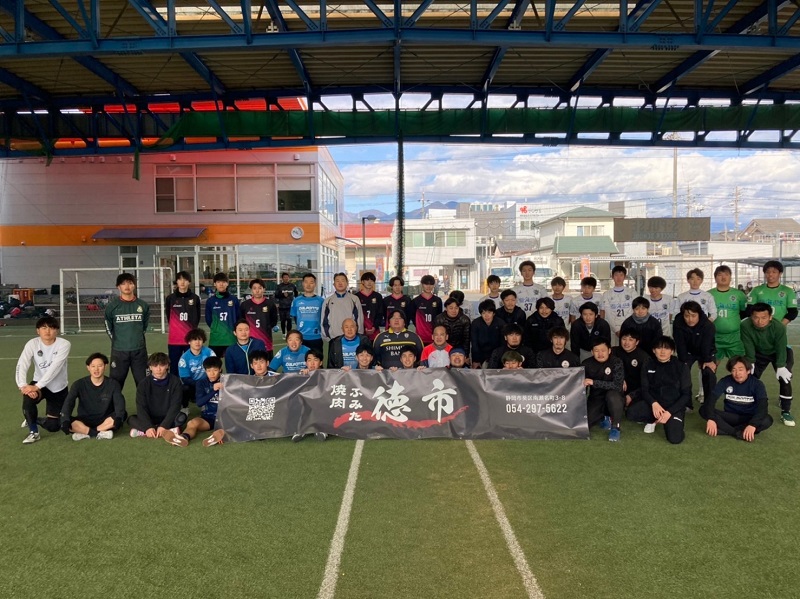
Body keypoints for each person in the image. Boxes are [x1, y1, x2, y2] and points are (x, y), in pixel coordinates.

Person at [16, 315, 72, 444]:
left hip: (58, 388)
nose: (47, 331)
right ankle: (34, 432)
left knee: (54, 427)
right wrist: (23, 386)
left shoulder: (64, 344)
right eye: (43, 328)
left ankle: (33, 419)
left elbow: (55, 368)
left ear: (56, 330)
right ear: (38, 330)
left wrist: (37, 386)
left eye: (51, 328)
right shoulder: (32, 343)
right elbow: (22, 364)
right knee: (28, 399)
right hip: (38, 383)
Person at [626, 336, 691, 443]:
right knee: (631, 413)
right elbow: (645, 390)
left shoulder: (682, 367)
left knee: (675, 439)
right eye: (659, 348)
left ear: (672, 351)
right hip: (654, 404)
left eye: (666, 348)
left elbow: (686, 395)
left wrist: (669, 412)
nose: (662, 351)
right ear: (653, 350)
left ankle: (670, 421)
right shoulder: (648, 364)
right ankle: (654, 420)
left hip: (673, 406)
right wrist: (654, 403)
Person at [741, 302, 794, 426]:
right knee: (751, 377)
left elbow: (781, 347)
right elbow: (748, 343)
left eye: (763, 318)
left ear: (770, 317)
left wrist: (781, 365)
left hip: (779, 352)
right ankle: (749, 406)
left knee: (785, 378)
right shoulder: (745, 325)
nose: (759, 321)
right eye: (756, 317)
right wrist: (751, 360)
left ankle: (786, 411)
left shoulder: (779, 327)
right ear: (751, 317)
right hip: (759, 352)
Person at [701, 356, 773, 441]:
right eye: (734, 370)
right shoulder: (725, 381)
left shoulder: (757, 384)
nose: (737, 373)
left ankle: (726, 430)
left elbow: (763, 407)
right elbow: (711, 400)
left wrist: (752, 425)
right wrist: (711, 418)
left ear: (748, 371)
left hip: (749, 417)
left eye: (740, 369)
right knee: (703, 409)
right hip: (730, 416)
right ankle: (737, 432)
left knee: (767, 420)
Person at [60, 352, 125, 441]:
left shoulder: (113, 384)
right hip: (84, 421)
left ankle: (86, 433)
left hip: (105, 420)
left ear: (105, 367)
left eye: (100, 366)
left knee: (121, 415)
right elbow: (69, 403)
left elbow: (119, 402)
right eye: (93, 366)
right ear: (88, 368)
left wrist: (119, 417)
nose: (96, 369)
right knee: (65, 420)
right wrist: (65, 419)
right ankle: (100, 433)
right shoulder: (78, 384)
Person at [164, 356, 226, 448]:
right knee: (192, 423)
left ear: (220, 370)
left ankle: (217, 436)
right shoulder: (201, 383)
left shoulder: (227, 381)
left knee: (230, 425)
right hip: (208, 417)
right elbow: (199, 403)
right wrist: (213, 390)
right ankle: (183, 438)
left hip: (224, 417)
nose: (212, 374)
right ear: (205, 371)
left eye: (215, 370)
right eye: (209, 371)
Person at [105, 272, 149, 389]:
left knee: (144, 384)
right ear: (118, 287)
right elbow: (108, 327)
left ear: (134, 285)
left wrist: (137, 339)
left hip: (139, 351)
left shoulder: (143, 305)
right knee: (115, 385)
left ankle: (144, 403)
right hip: (119, 352)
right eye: (123, 283)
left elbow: (144, 326)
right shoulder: (112, 307)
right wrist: (118, 341)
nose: (127, 286)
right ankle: (115, 403)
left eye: (130, 283)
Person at [128, 352, 185, 439]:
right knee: (131, 419)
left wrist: (164, 425)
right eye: (155, 366)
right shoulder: (143, 384)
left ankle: (143, 432)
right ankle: (161, 430)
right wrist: (148, 426)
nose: (158, 369)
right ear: (150, 367)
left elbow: (175, 406)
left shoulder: (175, 382)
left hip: (167, 416)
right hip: (150, 417)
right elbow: (141, 407)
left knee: (182, 417)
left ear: (167, 366)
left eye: (162, 365)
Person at [673, 300, 717, 409]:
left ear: (699, 314)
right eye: (687, 316)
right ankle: (686, 404)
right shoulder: (678, 323)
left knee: (709, 373)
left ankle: (709, 405)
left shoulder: (708, 325)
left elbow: (707, 345)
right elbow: (680, 344)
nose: (690, 319)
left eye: (693, 316)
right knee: (682, 372)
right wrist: (684, 362)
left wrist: (707, 360)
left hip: (706, 352)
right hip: (688, 352)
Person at [582, 338, 625, 442]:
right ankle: (605, 417)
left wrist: (594, 382)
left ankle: (615, 427)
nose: (600, 354)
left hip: (614, 396)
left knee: (613, 396)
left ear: (609, 350)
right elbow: (583, 386)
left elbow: (617, 386)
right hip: (596, 397)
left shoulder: (617, 362)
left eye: (603, 350)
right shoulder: (586, 363)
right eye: (596, 350)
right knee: (585, 423)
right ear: (592, 352)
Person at [164, 270, 201, 376]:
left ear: (189, 282)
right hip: (175, 340)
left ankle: (191, 386)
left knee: (192, 367)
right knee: (174, 368)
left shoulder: (195, 298)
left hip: (190, 340)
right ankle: (175, 386)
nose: (182, 282)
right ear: (176, 281)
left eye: (185, 279)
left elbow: (197, 317)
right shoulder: (170, 298)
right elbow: (169, 316)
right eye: (180, 279)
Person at [708, 265, 748, 361]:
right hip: (714, 337)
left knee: (739, 364)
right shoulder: (708, 295)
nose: (723, 277)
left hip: (734, 337)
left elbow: (744, 312)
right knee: (711, 365)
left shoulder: (739, 294)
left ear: (730, 277)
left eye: (726, 274)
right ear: (715, 278)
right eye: (720, 275)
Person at [746, 259, 798, 325]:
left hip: (779, 328)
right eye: (767, 272)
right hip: (759, 328)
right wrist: (759, 323)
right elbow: (749, 310)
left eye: (774, 272)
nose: (770, 274)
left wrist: (780, 325)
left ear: (780, 273)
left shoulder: (788, 291)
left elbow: (793, 312)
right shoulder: (756, 290)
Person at [239, 278, 279, 361]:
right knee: (250, 366)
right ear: (251, 290)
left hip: (266, 342)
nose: (257, 291)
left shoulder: (270, 304)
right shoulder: (245, 305)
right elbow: (241, 322)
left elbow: (274, 321)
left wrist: (265, 328)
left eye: (260, 288)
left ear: (264, 289)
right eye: (254, 288)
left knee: (267, 365)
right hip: (249, 342)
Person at [177, 328, 215, 411]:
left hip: (207, 382)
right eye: (194, 339)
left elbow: (215, 368)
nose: (197, 342)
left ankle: (207, 404)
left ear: (203, 340)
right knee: (184, 388)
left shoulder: (209, 352)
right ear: (189, 342)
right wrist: (198, 384)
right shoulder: (184, 358)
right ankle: (185, 407)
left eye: (199, 339)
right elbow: (184, 378)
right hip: (193, 385)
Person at [612, 329, 651, 410]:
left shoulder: (644, 357)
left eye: (630, 340)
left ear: (637, 342)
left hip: (636, 391)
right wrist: (619, 377)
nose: (626, 342)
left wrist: (632, 395)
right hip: (616, 388)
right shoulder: (613, 352)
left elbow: (647, 383)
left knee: (634, 410)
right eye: (624, 339)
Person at [321, 272, 364, 345]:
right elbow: (324, 321)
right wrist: (328, 338)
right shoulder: (327, 301)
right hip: (333, 339)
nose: (340, 283)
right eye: (337, 281)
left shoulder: (354, 299)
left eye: (343, 280)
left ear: (347, 283)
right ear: (334, 284)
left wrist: (358, 335)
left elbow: (359, 319)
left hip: (352, 338)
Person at [204, 272, 240, 358]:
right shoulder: (210, 301)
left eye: (223, 282)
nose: (221, 284)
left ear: (227, 284)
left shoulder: (234, 299)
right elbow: (208, 320)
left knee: (232, 364)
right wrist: (216, 328)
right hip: (216, 339)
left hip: (231, 339)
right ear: (214, 284)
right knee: (213, 364)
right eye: (218, 282)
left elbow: (238, 317)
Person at [599, 265, 634, 346]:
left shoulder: (632, 293)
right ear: (612, 277)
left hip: (629, 327)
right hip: (612, 328)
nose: (619, 278)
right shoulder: (606, 294)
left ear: (625, 277)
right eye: (616, 275)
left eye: (621, 275)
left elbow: (634, 310)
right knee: (613, 349)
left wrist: (626, 326)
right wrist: (616, 329)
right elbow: (604, 312)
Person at [290, 273, 325, 352]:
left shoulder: (321, 301)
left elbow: (324, 318)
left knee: (316, 359)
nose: (308, 285)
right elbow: (295, 317)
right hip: (301, 338)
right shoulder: (296, 301)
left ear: (315, 284)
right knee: (301, 359)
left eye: (311, 282)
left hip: (316, 337)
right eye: (306, 282)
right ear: (303, 284)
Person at [470, 299, 504, 369]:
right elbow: (474, 344)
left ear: (493, 313)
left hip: (497, 354)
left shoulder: (501, 323)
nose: (486, 315)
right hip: (480, 354)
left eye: (489, 312)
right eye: (483, 313)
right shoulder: (475, 323)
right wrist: (476, 360)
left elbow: (503, 343)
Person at [411, 274, 443, 345]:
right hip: (420, 337)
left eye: (431, 284)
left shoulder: (437, 300)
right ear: (422, 285)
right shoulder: (415, 301)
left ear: (434, 285)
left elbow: (439, 317)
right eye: (426, 284)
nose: (428, 286)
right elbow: (413, 318)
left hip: (434, 337)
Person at [356, 271, 385, 342]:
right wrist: (363, 328)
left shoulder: (378, 296)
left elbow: (380, 313)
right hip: (360, 331)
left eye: (372, 280)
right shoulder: (356, 297)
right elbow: (355, 315)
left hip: (374, 331)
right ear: (362, 282)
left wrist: (374, 327)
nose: (369, 282)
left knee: (375, 348)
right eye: (367, 280)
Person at [275, 272, 299, 336]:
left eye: (287, 277)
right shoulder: (279, 286)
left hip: (290, 306)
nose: (286, 278)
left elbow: (296, 294)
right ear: (282, 278)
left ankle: (289, 333)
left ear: (289, 278)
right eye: (284, 277)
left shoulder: (293, 286)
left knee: (289, 320)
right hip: (282, 306)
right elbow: (276, 295)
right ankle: (283, 333)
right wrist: (282, 295)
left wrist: (296, 302)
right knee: (283, 321)